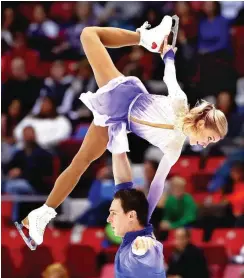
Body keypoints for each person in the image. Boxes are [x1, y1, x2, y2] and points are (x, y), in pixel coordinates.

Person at [18, 15, 227, 248]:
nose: (208, 144)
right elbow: (170, 77)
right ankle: (145, 38)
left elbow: (157, 185)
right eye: (210, 138)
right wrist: (168, 56)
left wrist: (145, 221)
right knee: (89, 35)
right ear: (202, 124)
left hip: (119, 121)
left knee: (81, 161)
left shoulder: (176, 147)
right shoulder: (180, 103)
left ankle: (41, 215)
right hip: (123, 95)